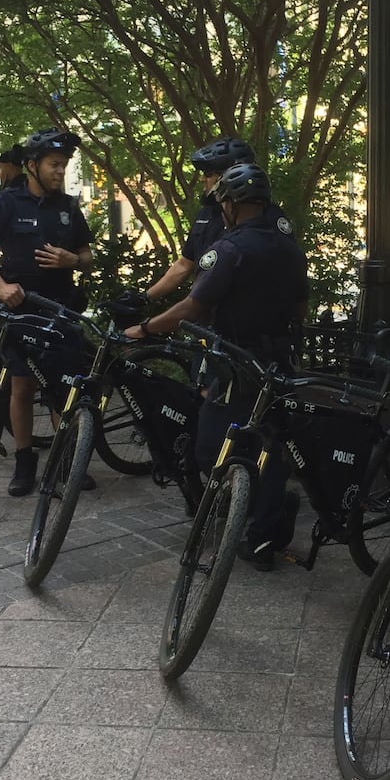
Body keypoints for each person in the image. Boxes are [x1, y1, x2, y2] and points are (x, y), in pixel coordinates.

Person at [123, 162, 308, 570]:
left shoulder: (229, 249)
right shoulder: (289, 245)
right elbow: (300, 304)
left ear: (231, 204)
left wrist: (145, 328)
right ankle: (263, 534)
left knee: (210, 448)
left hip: (235, 362)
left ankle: (258, 511)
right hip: (279, 361)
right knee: (268, 445)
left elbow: (194, 305)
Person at [0, 128, 94, 496]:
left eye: (64, 166)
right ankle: (24, 461)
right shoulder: (7, 203)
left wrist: (74, 259)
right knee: (22, 385)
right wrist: (0, 287)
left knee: (64, 386)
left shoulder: (68, 207)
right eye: (55, 165)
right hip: (21, 307)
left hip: (61, 307)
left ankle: (67, 457)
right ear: (32, 166)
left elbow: (87, 256)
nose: (60, 172)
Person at [144, 137, 256, 302]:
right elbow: (184, 265)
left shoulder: (259, 216)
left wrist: (146, 328)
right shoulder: (206, 214)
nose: (203, 179)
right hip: (203, 317)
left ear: (228, 175)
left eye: (208, 173)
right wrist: (145, 297)